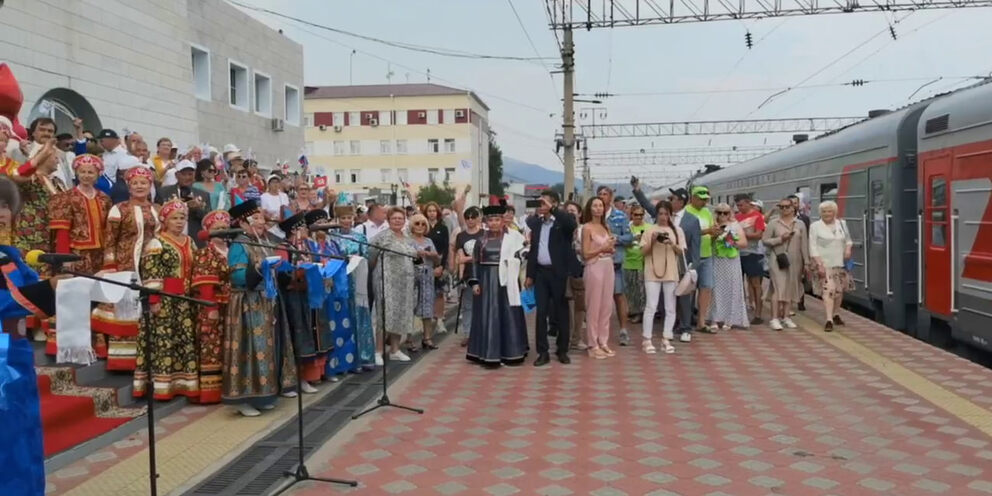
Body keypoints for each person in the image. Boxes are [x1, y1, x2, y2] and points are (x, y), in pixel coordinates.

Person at [0, 174, 61, 496]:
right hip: (0, 351)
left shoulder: (13, 256)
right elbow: (12, 299)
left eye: (5, 204)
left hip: (19, 350)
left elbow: (33, 290)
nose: (0, 211)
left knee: (26, 429)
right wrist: (44, 291)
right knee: (5, 433)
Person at [224, 200, 297, 417]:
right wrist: (257, 269)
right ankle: (244, 398)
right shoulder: (239, 244)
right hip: (247, 303)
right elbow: (236, 275)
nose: (260, 223)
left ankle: (263, 393)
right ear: (243, 222)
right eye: (255, 219)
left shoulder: (261, 242)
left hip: (264, 302)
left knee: (265, 349)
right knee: (249, 349)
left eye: (262, 219)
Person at [134, 199, 199, 400]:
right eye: (175, 218)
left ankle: (184, 385)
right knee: (165, 342)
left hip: (186, 301)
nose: (179, 222)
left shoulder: (190, 241)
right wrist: (154, 300)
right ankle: (163, 387)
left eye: (182, 218)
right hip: (166, 300)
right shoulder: (157, 242)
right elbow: (152, 273)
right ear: (165, 220)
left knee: (184, 341)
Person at [96, 166, 159, 371]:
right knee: (125, 310)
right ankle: (123, 361)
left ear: (150, 186)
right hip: (125, 265)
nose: (140, 186)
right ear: (129, 187)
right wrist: (111, 265)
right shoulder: (119, 208)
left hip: (149, 267)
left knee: (146, 309)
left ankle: (146, 358)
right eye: (135, 183)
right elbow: (110, 239)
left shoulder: (156, 209)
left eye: (144, 183)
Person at [465, 204, 528, 367]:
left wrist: (517, 260)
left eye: (497, 220)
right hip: (486, 280)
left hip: (506, 280)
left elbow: (522, 254)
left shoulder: (512, 238)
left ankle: (510, 351)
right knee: (487, 314)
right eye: (491, 220)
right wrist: (475, 282)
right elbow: (474, 262)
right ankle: (487, 352)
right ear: (486, 221)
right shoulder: (480, 241)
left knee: (507, 313)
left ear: (502, 221)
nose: (494, 223)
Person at [525, 190, 577, 366]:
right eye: (541, 203)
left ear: (554, 204)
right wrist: (530, 275)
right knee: (541, 312)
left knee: (561, 312)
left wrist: (553, 210)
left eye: (545, 203)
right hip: (540, 273)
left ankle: (562, 350)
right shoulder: (537, 223)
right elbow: (533, 250)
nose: (542, 206)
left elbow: (571, 225)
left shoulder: (562, 222)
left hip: (558, 273)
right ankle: (542, 352)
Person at [191, 210, 232, 404]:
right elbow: (205, 283)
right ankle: (211, 392)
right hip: (214, 307)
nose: (222, 231)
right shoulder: (205, 253)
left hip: (232, 306)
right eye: (217, 228)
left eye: (225, 228)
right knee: (212, 347)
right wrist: (211, 308)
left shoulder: (233, 249)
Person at [368, 207, 418, 362]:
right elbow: (371, 257)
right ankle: (378, 351)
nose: (397, 221)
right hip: (386, 281)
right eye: (394, 218)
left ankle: (395, 349)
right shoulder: (381, 237)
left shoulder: (408, 237)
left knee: (400, 315)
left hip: (405, 282)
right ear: (388, 220)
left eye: (400, 218)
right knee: (384, 314)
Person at [331, 205, 376, 369]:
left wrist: (356, 259)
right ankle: (345, 361)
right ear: (337, 219)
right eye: (343, 218)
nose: (346, 221)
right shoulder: (332, 237)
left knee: (360, 315)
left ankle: (363, 357)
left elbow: (366, 257)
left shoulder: (360, 237)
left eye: (349, 218)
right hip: (340, 281)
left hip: (357, 279)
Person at [639, 200, 686, 354]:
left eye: (666, 214)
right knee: (651, 306)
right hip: (652, 271)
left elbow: (681, 252)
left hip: (670, 273)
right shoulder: (649, 230)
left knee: (670, 307)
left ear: (670, 214)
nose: (663, 217)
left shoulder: (677, 230)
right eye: (660, 213)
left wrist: (671, 243)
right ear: (656, 214)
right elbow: (643, 252)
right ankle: (647, 339)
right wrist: (653, 241)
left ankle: (666, 338)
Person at [763, 198, 809, 330]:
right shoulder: (773, 223)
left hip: (795, 259)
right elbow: (765, 240)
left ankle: (786, 316)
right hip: (778, 258)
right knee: (778, 287)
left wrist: (806, 262)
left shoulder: (800, 224)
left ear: (793, 208)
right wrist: (780, 239)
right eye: (781, 207)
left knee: (790, 287)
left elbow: (804, 244)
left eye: (787, 207)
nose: (784, 209)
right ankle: (774, 318)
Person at [596, 186, 633, 346]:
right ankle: (598, 331)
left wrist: (615, 238)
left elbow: (629, 237)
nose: (602, 197)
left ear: (610, 197)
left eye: (605, 194)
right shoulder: (594, 216)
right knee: (597, 299)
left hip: (615, 262)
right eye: (600, 194)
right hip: (596, 261)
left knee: (618, 296)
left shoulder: (620, 216)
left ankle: (623, 330)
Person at [809, 200, 853, 332]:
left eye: (829, 211)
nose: (827, 214)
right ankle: (829, 319)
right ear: (820, 213)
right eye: (824, 211)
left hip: (840, 262)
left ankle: (836, 313)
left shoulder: (842, 224)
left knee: (839, 291)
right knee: (829, 289)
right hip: (824, 262)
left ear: (834, 212)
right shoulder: (815, 226)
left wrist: (848, 249)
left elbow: (849, 240)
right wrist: (819, 264)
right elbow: (813, 245)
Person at [582, 196, 616, 359]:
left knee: (606, 305)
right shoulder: (587, 228)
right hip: (594, 266)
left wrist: (610, 248)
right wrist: (602, 248)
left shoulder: (606, 227)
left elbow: (609, 249)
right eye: (594, 205)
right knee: (593, 306)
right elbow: (585, 253)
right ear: (589, 208)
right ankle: (592, 343)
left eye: (600, 205)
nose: (598, 208)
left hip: (608, 265)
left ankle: (603, 340)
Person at [710, 203, 750, 330]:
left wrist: (731, 241)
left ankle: (730, 318)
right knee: (715, 289)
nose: (722, 215)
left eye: (725, 213)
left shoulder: (735, 225)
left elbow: (744, 243)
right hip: (717, 260)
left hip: (731, 261)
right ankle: (715, 318)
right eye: (719, 212)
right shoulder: (712, 226)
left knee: (732, 288)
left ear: (730, 213)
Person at [157, 160, 210, 247]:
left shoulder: (203, 194)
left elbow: (207, 219)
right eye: (183, 174)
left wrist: (197, 208)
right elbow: (159, 216)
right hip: (170, 240)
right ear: (176, 175)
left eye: (190, 174)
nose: (187, 177)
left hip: (195, 240)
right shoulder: (163, 192)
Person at [685, 186, 717, 333]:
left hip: (706, 254)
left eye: (705, 199)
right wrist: (707, 231)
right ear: (693, 198)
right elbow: (687, 233)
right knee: (689, 288)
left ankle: (701, 321)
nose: (704, 202)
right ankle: (686, 318)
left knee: (706, 287)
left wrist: (715, 232)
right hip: (692, 255)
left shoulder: (707, 212)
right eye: (701, 199)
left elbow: (711, 230)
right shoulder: (686, 212)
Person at [451, 206, 484, 347]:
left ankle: (483, 331)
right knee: (467, 305)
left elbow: (485, 255)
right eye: (467, 217)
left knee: (483, 304)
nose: (470, 220)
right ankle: (468, 333)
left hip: (484, 273)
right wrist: (460, 275)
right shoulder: (461, 236)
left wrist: (470, 258)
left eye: (473, 217)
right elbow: (460, 258)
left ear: (478, 218)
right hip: (468, 275)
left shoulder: (485, 234)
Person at [735, 193, 767, 324]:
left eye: (741, 205)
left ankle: (758, 314)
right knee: (738, 285)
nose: (739, 207)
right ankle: (739, 313)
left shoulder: (757, 216)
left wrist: (744, 236)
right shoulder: (736, 217)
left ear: (749, 203)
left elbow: (759, 234)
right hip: (737, 255)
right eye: (737, 205)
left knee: (755, 284)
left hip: (753, 254)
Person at [422, 202, 450, 335]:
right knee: (426, 293)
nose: (432, 213)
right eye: (429, 211)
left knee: (439, 293)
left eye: (434, 211)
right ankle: (428, 320)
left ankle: (439, 319)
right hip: (425, 264)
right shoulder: (422, 227)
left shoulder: (442, 228)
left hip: (439, 264)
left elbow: (446, 248)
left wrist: (442, 266)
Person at [563, 201, 587, 350]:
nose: (571, 212)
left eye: (574, 210)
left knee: (580, 306)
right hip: (565, 271)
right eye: (568, 210)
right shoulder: (560, 230)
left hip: (582, 269)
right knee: (568, 304)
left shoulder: (584, 230)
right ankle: (567, 336)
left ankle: (577, 338)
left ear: (579, 213)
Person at [623, 205, 649, 323]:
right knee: (630, 289)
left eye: (641, 215)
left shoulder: (648, 227)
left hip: (642, 261)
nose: (638, 217)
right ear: (631, 215)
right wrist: (633, 238)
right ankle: (633, 310)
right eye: (636, 215)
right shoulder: (627, 227)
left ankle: (641, 312)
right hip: (628, 261)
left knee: (641, 289)